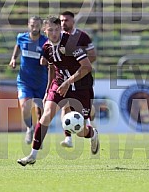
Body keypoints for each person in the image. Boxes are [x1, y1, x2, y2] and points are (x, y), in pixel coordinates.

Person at [17, 16, 100, 166]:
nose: (54, 33)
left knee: (80, 131)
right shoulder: (46, 47)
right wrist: (47, 90)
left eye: (57, 30)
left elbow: (87, 67)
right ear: (45, 30)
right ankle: (32, 155)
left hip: (80, 86)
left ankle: (92, 133)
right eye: (50, 30)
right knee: (46, 115)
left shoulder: (70, 44)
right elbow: (51, 67)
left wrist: (68, 82)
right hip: (59, 83)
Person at [59, 11, 97, 148]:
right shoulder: (59, 38)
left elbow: (93, 56)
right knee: (65, 106)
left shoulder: (83, 37)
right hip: (66, 79)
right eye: (61, 20)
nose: (64, 23)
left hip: (83, 79)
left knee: (84, 117)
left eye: (66, 20)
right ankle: (68, 138)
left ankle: (92, 132)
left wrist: (80, 62)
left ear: (73, 21)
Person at [9, 16, 48, 144]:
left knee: (41, 111)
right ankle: (29, 128)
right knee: (25, 107)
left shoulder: (45, 42)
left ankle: (38, 136)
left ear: (41, 26)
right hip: (24, 81)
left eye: (37, 25)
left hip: (41, 82)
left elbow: (51, 58)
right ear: (28, 25)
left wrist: (46, 61)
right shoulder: (21, 37)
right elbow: (18, 46)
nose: (34, 28)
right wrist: (14, 58)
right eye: (32, 25)